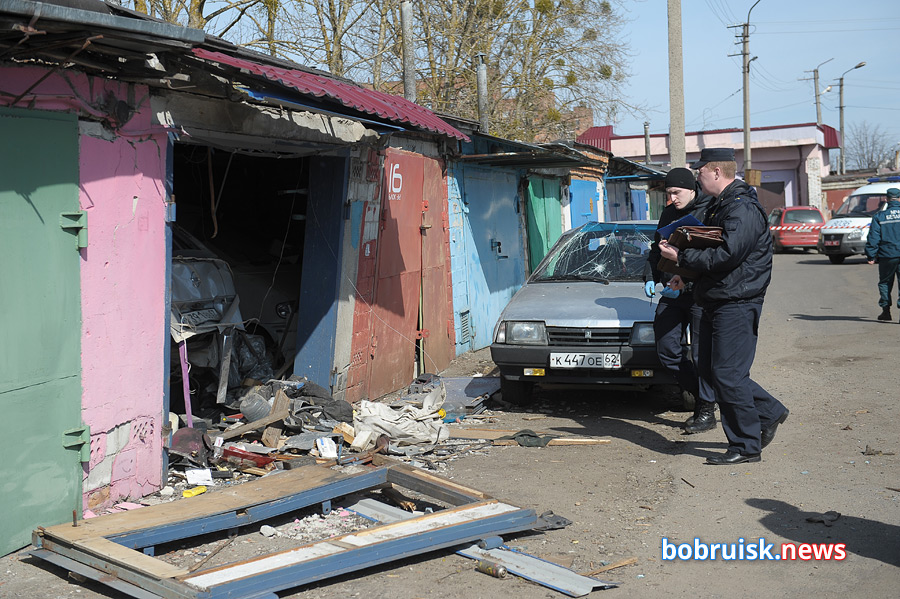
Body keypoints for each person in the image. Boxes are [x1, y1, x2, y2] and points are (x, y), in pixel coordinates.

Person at [659, 148, 789, 465]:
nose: (697, 177)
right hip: (716, 297)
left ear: (716, 171)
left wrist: (682, 258)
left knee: (728, 375)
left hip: (737, 302)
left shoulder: (741, 207)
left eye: (699, 171)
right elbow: (715, 253)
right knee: (716, 373)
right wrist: (684, 277)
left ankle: (746, 445)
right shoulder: (722, 205)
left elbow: (727, 255)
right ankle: (769, 412)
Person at [645, 168, 715, 433]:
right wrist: (651, 277)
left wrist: (687, 277)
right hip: (672, 294)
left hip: (698, 294)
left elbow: (711, 254)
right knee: (666, 349)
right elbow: (656, 249)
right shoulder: (668, 213)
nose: (672, 198)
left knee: (701, 354)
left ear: (692, 188)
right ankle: (703, 396)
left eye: (676, 192)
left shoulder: (708, 210)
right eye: (668, 193)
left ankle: (705, 409)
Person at [864, 187, 900, 322]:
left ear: (887, 199)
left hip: (887, 255)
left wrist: (871, 255)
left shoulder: (879, 216)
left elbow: (873, 237)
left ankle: (886, 312)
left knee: (885, 283)